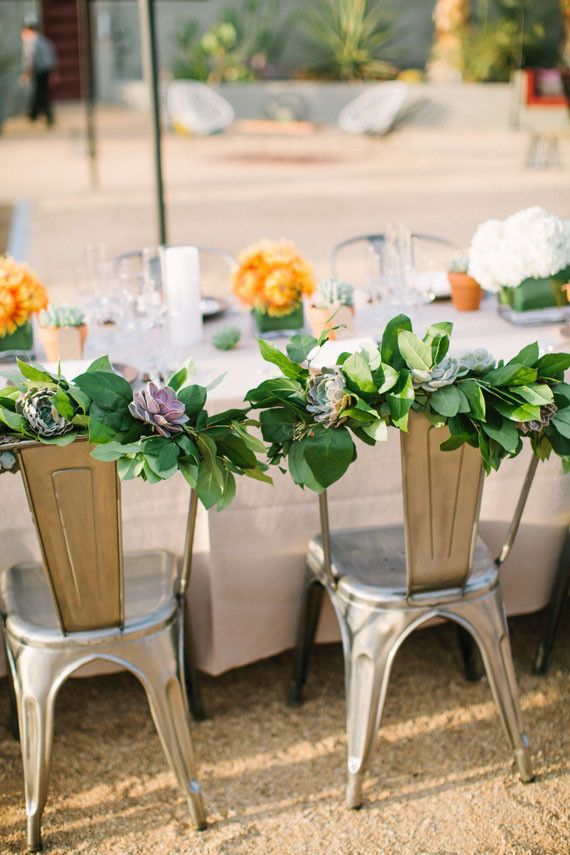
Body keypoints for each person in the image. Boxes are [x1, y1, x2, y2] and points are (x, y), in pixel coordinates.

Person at [20, 15, 57, 127]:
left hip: (39, 71)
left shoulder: (31, 42)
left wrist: (26, 73)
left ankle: (37, 115)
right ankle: (34, 114)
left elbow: (30, 59)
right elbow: (52, 55)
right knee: (41, 93)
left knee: (40, 94)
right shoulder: (43, 40)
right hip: (45, 71)